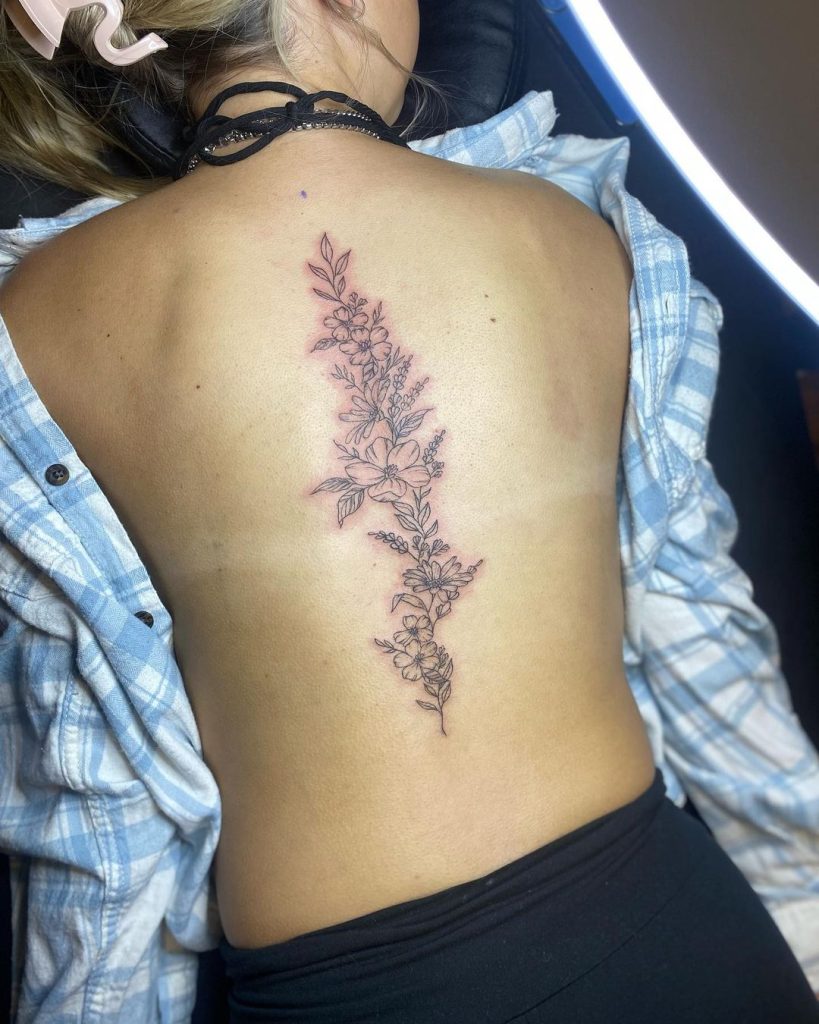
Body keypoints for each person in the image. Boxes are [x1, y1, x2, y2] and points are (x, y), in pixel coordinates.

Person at [0, 1, 817, 1021]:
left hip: (359, 993)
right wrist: (805, 915)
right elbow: (700, 629)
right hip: (682, 934)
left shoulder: (37, 319)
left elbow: (94, 798)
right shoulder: (588, 228)